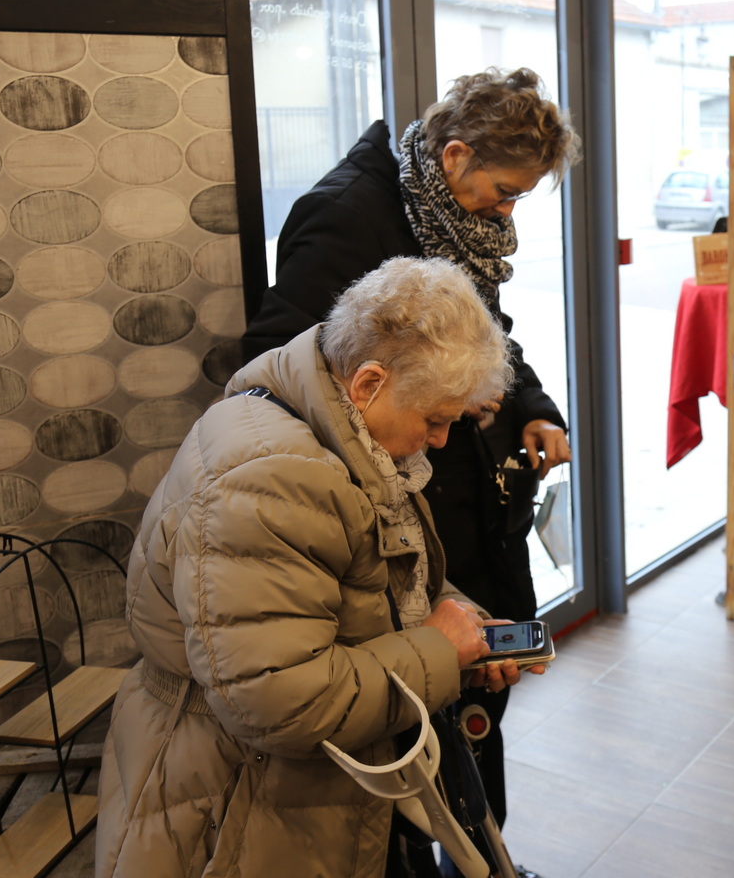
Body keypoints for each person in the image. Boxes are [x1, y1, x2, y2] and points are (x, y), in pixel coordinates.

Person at [96, 256, 534, 877]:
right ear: (368, 384)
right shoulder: (274, 479)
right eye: (434, 419)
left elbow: (371, 570)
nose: (439, 440)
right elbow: (277, 702)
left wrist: (458, 620)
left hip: (287, 787)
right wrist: (439, 651)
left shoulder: (328, 429)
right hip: (238, 803)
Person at [244, 68, 577, 874]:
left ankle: (480, 851)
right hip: (389, 511)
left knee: (474, 698)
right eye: (502, 192)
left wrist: (530, 403)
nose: (507, 213)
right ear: (454, 154)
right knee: (410, 714)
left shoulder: (451, 219)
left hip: (464, 501)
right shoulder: (345, 217)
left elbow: (485, 333)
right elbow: (282, 368)